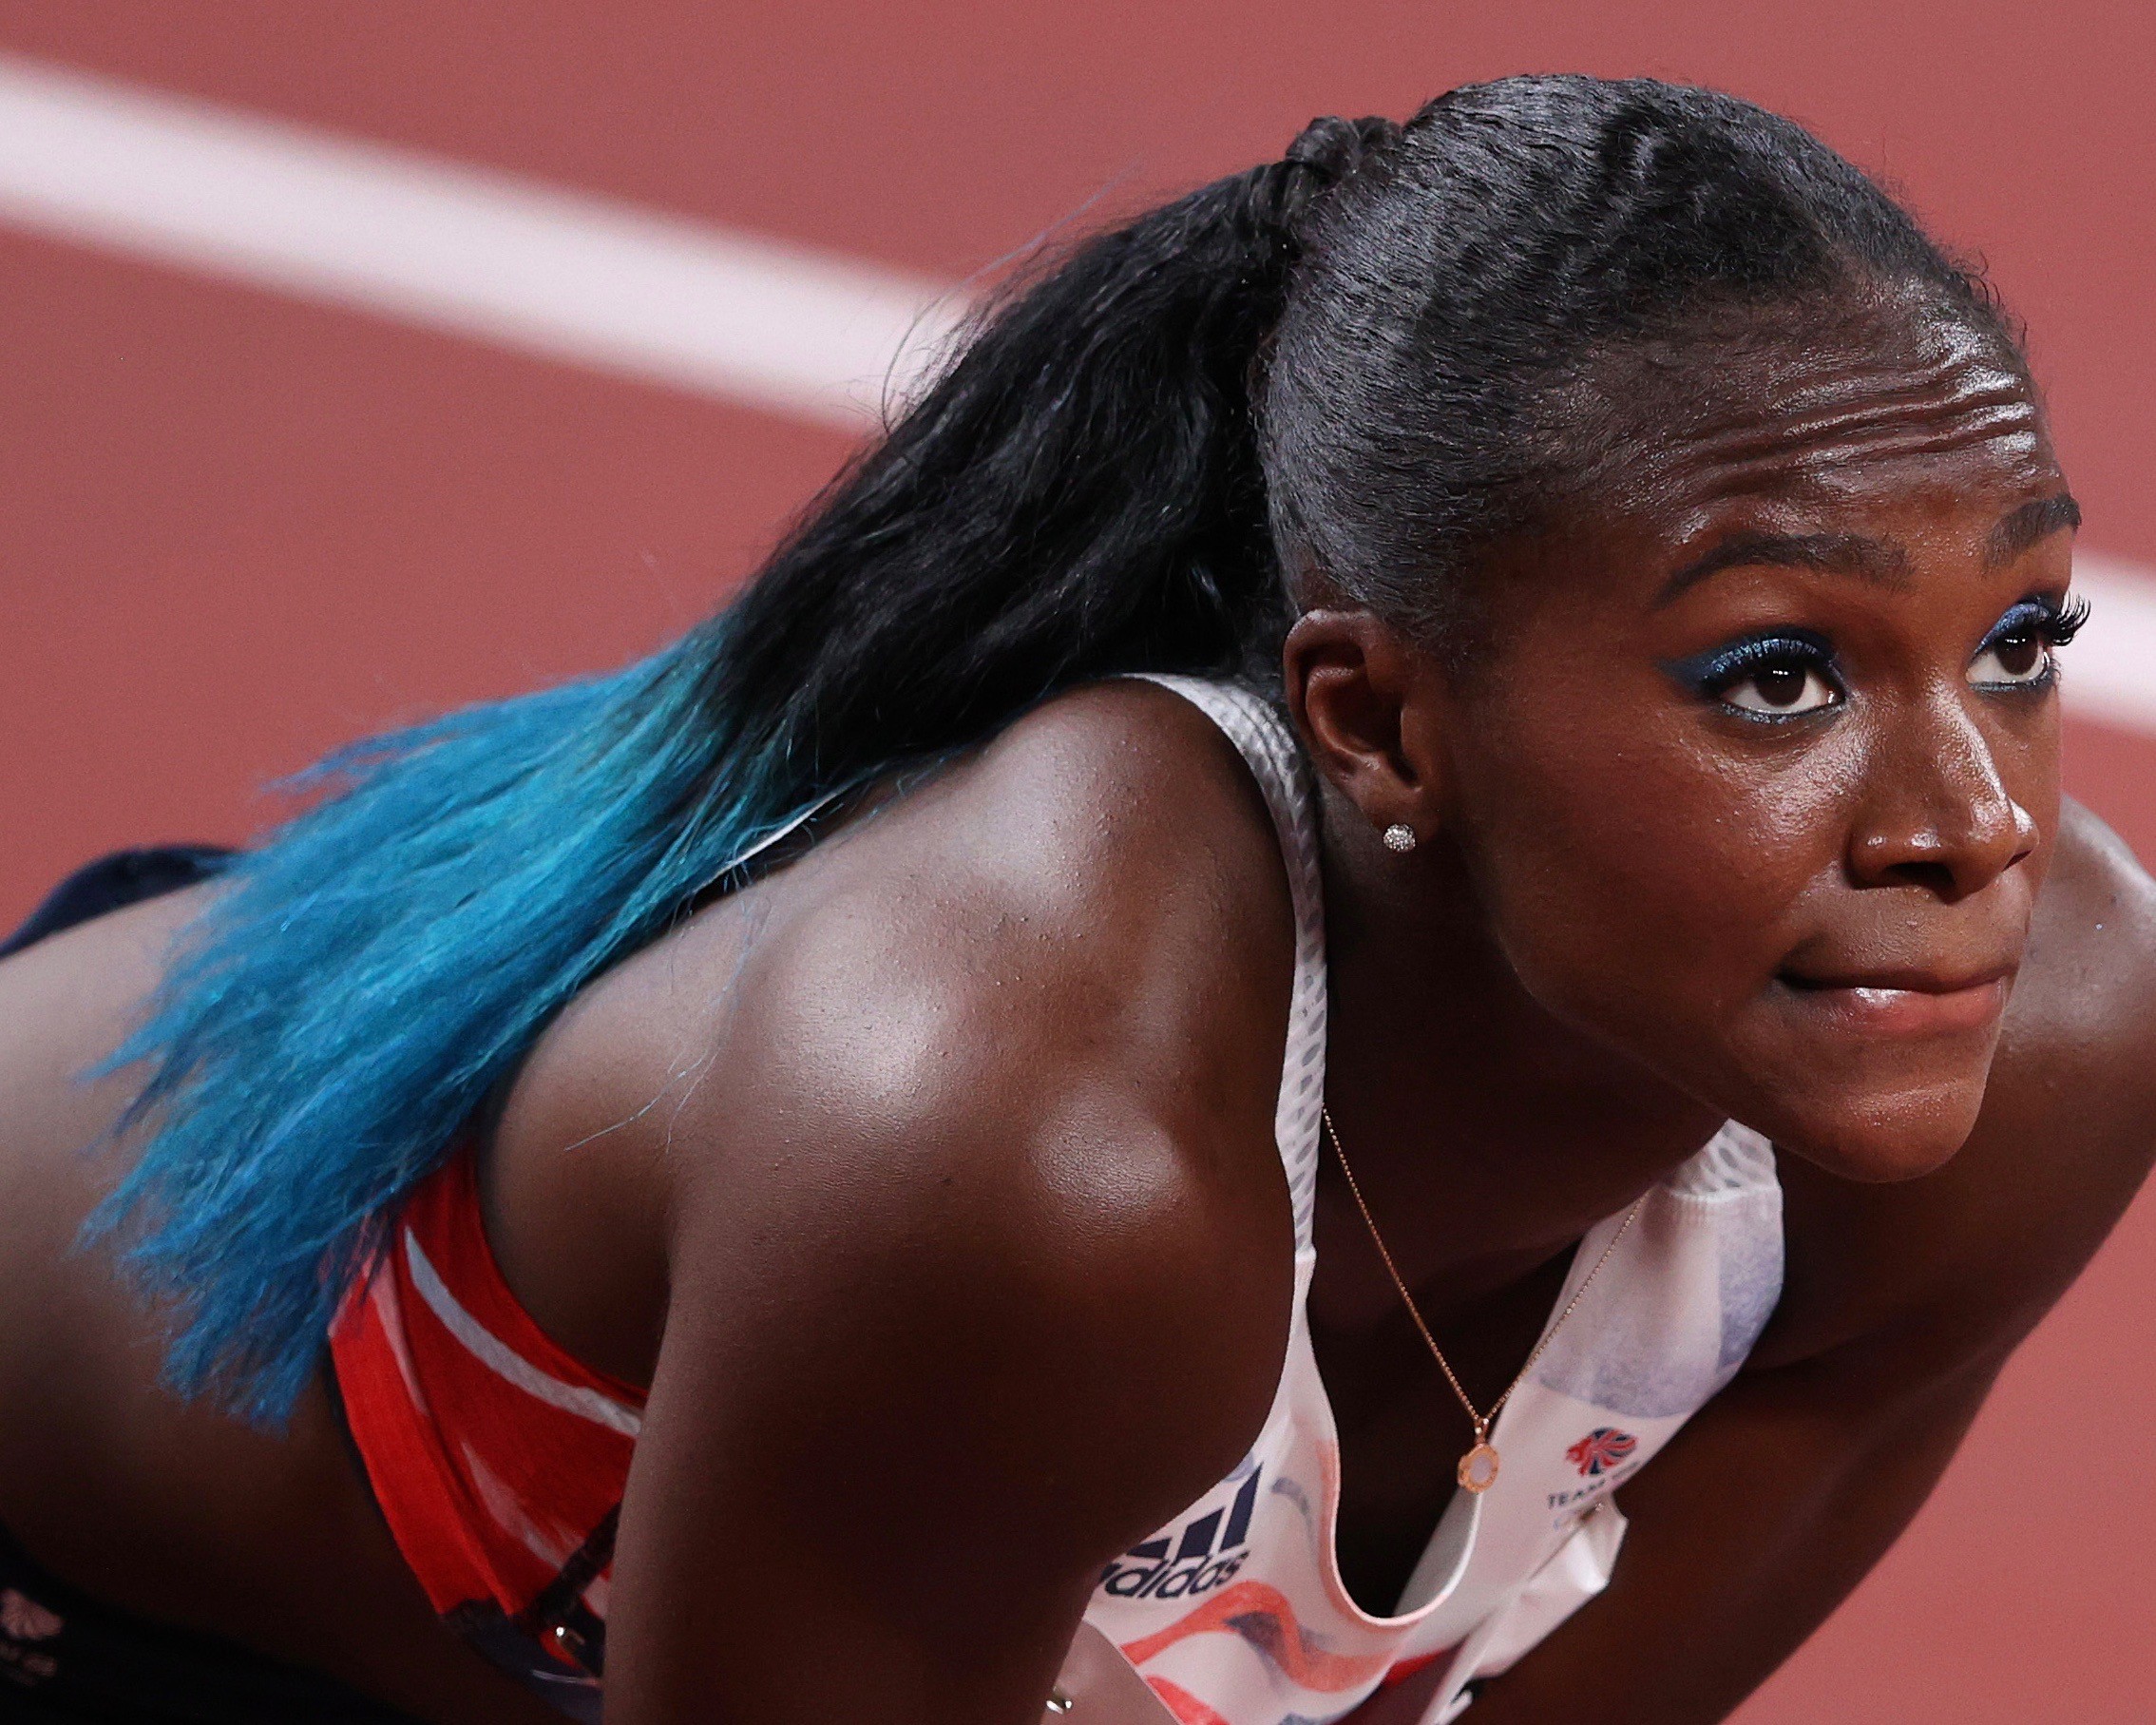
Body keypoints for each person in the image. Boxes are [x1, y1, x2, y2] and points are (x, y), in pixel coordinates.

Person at [0, 72, 2149, 1725]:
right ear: (1380, 722)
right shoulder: (1034, 1146)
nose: (1968, 817)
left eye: (2022, 643)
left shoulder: (2050, 1042)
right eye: (1773, 672)